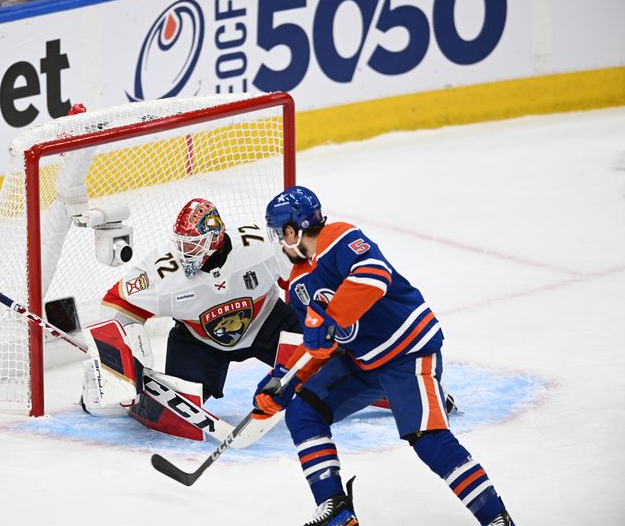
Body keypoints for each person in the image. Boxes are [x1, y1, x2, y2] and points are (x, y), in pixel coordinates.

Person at [253, 186, 515, 526]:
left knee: (428, 437)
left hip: (408, 350)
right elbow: (319, 344)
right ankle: (336, 510)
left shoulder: (338, 237)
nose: (278, 241)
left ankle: (496, 518)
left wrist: (330, 317)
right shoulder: (299, 283)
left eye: (278, 233)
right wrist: (284, 379)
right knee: (303, 411)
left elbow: (373, 275)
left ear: (292, 230)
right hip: (364, 362)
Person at [80, 197, 302, 438]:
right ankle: (98, 383)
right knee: (172, 416)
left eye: (194, 245)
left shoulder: (260, 248)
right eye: (182, 244)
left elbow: (304, 277)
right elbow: (116, 302)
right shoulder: (162, 272)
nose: (185, 252)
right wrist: (119, 361)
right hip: (199, 342)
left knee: (327, 379)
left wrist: (320, 320)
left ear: (215, 239)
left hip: (267, 323)